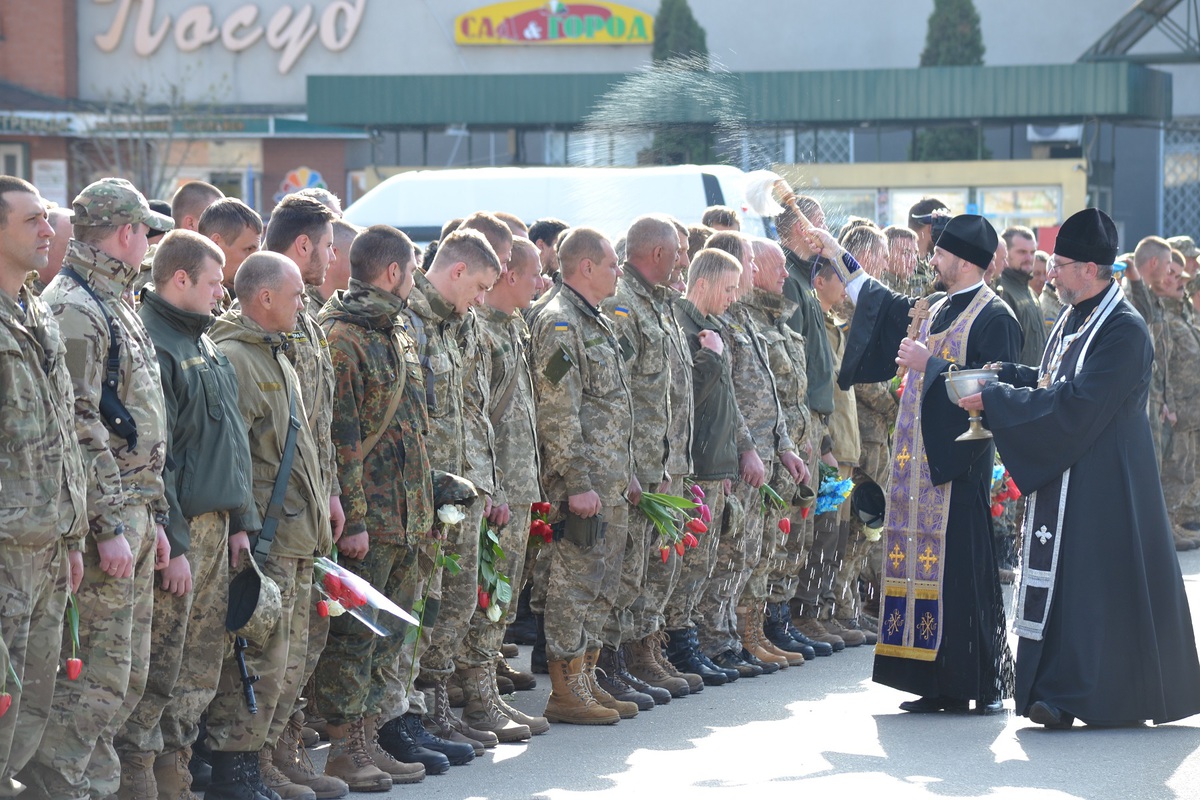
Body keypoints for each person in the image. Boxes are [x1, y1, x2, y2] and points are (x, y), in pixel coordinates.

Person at [961, 208, 1200, 729]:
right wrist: (1007, 376)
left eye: (1061, 265)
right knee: (1069, 586)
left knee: (1092, 590)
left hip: (1107, 484)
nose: (1050, 273)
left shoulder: (1125, 330)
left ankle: (1091, 696)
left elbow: (1078, 404)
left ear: (1090, 270)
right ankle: (1053, 690)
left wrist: (998, 401)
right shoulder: (1076, 315)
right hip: (1073, 471)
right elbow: (1053, 380)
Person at [823, 212, 1022, 715]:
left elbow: (995, 388)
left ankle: (971, 681)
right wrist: (833, 251)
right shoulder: (933, 306)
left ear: (965, 260)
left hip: (957, 468)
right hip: (914, 467)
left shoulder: (995, 316)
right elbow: (875, 299)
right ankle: (929, 681)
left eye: (941, 253)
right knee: (917, 568)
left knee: (959, 574)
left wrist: (928, 364)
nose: (932, 259)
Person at [20, 178, 173, 800]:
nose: (148, 244)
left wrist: (155, 514)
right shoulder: (76, 307)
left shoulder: (113, 298)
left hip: (136, 508)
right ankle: (67, 788)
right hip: (108, 515)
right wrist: (108, 524)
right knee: (92, 684)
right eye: (145, 232)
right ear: (127, 232)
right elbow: (79, 426)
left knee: (123, 678)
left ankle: (98, 786)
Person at [312, 224, 436, 790]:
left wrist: (428, 504)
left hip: (406, 515)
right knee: (353, 640)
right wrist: (355, 520)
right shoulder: (342, 336)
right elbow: (340, 437)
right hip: (371, 521)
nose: (414, 280)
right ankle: (344, 749)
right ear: (393, 272)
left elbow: (413, 426)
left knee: (385, 638)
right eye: (411, 271)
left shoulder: (396, 329)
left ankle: (368, 739)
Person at [207, 252, 334, 800]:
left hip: (296, 535)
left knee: (289, 659)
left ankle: (263, 760)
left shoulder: (275, 353)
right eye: (296, 295)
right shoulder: (237, 357)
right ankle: (237, 771)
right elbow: (232, 456)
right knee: (258, 660)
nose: (303, 303)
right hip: (266, 540)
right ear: (264, 297)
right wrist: (245, 527)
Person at [530, 226, 639, 726]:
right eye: (613, 264)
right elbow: (558, 409)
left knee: (601, 584)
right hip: (584, 485)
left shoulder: (595, 319)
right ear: (586, 267)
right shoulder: (559, 322)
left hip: (609, 481)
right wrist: (577, 482)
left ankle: (587, 676)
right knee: (574, 586)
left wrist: (626, 473)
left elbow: (613, 406)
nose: (619, 272)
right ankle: (565, 688)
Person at [0, 177, 86, 796]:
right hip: (5, 550)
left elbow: (64, 431)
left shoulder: (34, 312)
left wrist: (73, 536)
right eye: (33, 220)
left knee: (32, 704)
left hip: (47, 546)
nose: (48, 230)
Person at [262, 194, 346, 799]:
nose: (333, 257)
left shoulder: (309, 317)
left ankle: (286, 748)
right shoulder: (267, 317)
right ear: (302, 246)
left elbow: (321, 422)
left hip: (312, 506)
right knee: (275, 646)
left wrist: (333, 492)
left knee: (305, 641)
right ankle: (261, 757)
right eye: (328, 246)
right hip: (278, 511)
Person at [597, 215, 690, 706]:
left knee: (644, 568)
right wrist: (629, 465)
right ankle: (609, 664)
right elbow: (617, 394)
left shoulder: (658, 303)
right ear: (657, 253)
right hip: (633, 466)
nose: (683, 261)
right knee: (622, 571)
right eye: (678, 252)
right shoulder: (623, 305)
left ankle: (638, 652)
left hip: (659, 460)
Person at [465, 236, 552, 737]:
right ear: (510, 276)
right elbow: (479, 419)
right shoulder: (482, 331)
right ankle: (478, 702)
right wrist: (493, 487)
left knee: (503, 596)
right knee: (486, 598)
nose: (541, 282)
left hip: (519, 484)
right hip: (498, 488)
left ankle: (487, 692)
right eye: (534, 273)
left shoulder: (513, 326)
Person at [663, 249, 744, 687]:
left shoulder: (711, 328)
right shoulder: (684, 325)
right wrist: (711, 357)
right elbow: (684, 399)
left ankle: (686, 638)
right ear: (705, 283)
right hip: (693, 461)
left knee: (703, 561)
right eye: (728, 288)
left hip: (714, 460)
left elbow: (725, 401)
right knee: (687, 562)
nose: (733, 297)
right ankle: (677, 643)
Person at [198, 198, 263, 307]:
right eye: (248, 249)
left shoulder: (221, 296)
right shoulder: (192, 300)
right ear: (215, 243)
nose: (255, 261)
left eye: (257, 252)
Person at [996, 226, 1044, 367]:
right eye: (1022, 252)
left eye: (1032, 252)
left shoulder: (1030, 292)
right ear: (1006, 253)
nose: (1029, 258)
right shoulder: (1001, 292)